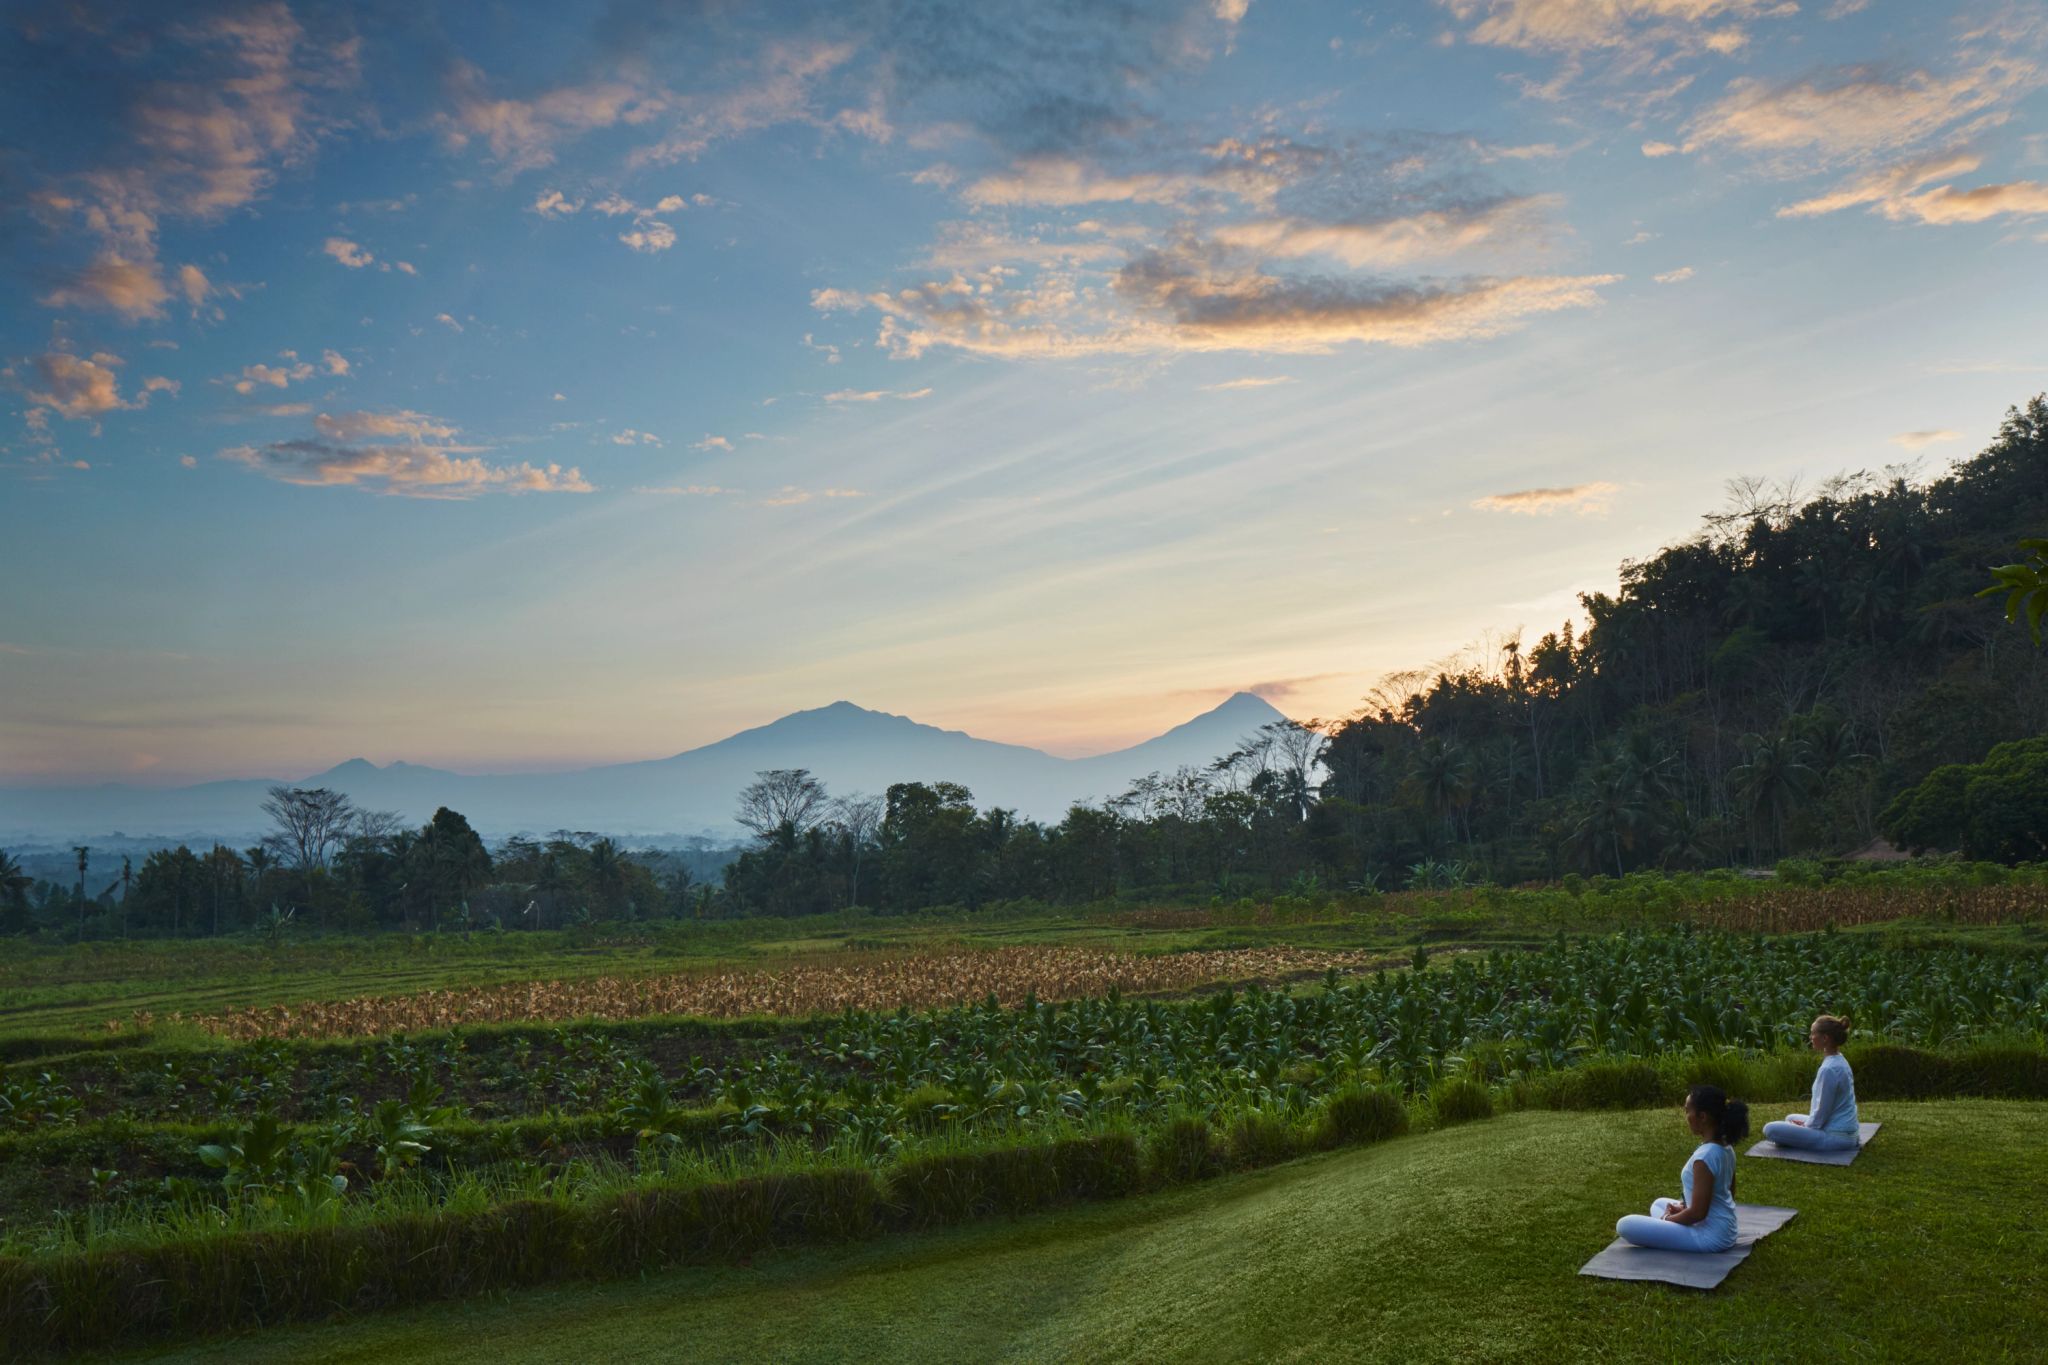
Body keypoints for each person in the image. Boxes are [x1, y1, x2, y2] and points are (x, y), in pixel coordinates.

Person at [1615, 1084, 1749, 1253]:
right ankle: (1669, 1220)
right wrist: (1684, 1207)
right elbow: (1728, 1193)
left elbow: (1698, 1213)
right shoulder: (1725, 1147)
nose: (1686, 1116)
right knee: (1659, 1203)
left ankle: (1665, 1222)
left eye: (1687, 1111)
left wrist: (1668, 1219)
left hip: (1710, 1237)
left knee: (1625, 1225)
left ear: (1702, 1116)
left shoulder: (1705, 1157)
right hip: (1725, 1228)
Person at [1762, 1015, 1858, 1152]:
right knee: (1790, 1118)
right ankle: (1797, 1135)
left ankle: (1795, 1138)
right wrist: (1804, 1125)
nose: (1810, 1037)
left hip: (1837, 1138)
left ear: (1825, 1038)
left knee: (1770, 1129)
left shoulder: (1829, 1069)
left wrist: (1806, 1126)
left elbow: (1822, 1111)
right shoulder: (1839, 1060)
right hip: (1845, 1131)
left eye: (1813, 1033)